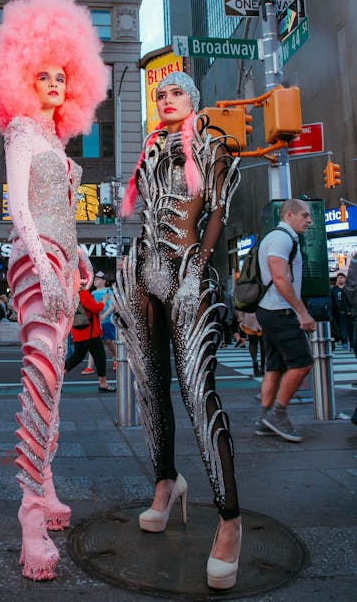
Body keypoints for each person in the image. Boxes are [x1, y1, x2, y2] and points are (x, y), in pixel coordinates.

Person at [0, 0, 108, 581]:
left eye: (63, 75)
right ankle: (30, 511)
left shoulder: (56, 141)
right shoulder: (23, 131)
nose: (55, 82)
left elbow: (66, 216)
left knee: (53, 385)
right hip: (33, 263)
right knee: (41, 373)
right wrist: (47, 265)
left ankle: (46, 487)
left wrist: (77, 264)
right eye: (44, 74)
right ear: (24, 78)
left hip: (61, 260)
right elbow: (21, 210)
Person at [113, 71, 242, 590]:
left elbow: (216, 212)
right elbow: (144, 216)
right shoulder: (149, 150)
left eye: (176, 93)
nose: (166, 100)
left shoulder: (212, 145)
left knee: (196, 393)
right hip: (144, 274)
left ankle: (230, 520)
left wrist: (201, 266)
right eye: (160, 94)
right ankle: (165, 483)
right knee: (150, 389)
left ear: (194, 99)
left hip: (189, 271)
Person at [255, 199, 316, 442]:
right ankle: (277, 414)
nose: (309, 220)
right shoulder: (282, 238)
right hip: (280, 312)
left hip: (270, 310)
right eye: (305, 215)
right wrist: (302, 311)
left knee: (274, 367)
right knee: (302, 363)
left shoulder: (275, 237)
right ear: (289, 215)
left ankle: (264, 419)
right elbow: (280, 278)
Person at [65, 285, 116, 392]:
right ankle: (103, 383)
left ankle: (57, 379)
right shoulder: (83, 293)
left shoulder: (70, 294)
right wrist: (104, 301)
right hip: (90, 332)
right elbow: (96, 309)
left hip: (78, 331)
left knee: (76, 357)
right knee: (100, 357)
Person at [92, 270, 117, 369]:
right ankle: (93, 366)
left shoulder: (108, 291)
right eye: (95, 279)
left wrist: (105, 314)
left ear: (104, 281)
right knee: (96, 343)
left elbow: (112, 305)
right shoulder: (93, 293)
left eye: (98, 279)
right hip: (96, 321)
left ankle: (116, 358)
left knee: (108, 341)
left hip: (106, 321)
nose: (95, 280)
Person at [238, 311, 265, 376]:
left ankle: (254, 360)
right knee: (263, 344)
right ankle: (262, 367)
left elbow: (241, 305)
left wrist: (241, 319)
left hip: (249, 318)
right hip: (262, 317)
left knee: (252, 342)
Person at [331, 272, 353, 348]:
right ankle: (344, 342)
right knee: (342, 328)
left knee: (350, 328)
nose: (340, 279)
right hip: (339, 312)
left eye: (341, 277)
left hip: (348, 312)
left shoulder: (348, 289)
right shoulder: (334, 289)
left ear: (345, 279)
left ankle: (351, 343)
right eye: (338, 278)